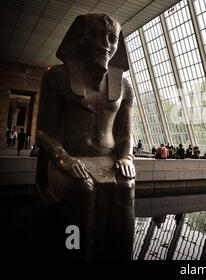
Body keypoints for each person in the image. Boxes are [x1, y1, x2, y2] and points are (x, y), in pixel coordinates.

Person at [35, 14, 135, 259]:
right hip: (70, 157)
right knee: (82, 188)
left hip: (107, 160)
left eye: (112, 38)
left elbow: (125, 134)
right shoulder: (57, 77)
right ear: (80, 38)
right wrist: (63, 158)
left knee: (126, 186)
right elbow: (43, 132)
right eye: (98, 36)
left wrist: (126, 157)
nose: (105, 44)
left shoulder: (123, 86)